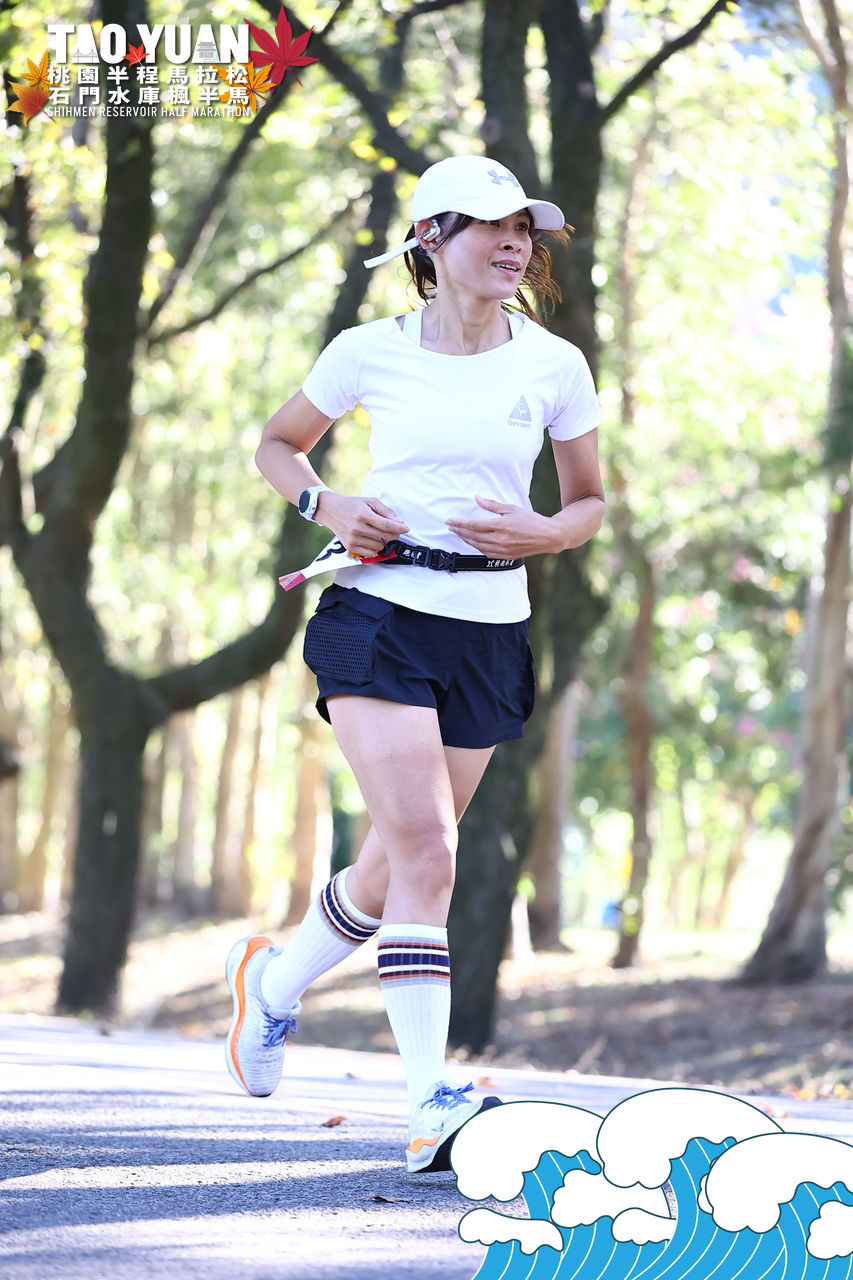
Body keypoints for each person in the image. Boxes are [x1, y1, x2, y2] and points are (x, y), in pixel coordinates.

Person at [225, 154, 605, 1174]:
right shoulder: (366, 350)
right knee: (431, 853)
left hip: (489, 628)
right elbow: (277, 446)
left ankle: (271, 984)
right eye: (490, 225)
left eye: (523, 228)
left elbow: (587, 502)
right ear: (430, 240)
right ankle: (431, 1102)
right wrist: (330, 504)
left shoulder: (554, 365)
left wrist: (543, 532)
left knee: (397, 864)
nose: (514, 243)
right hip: (377, 611)